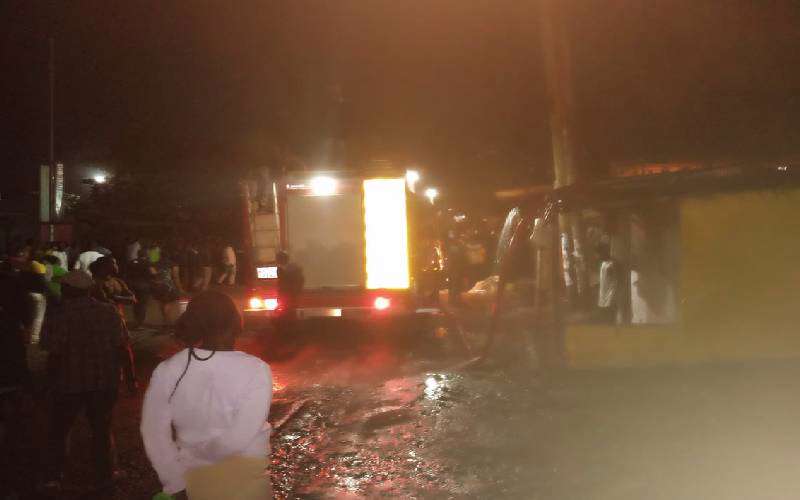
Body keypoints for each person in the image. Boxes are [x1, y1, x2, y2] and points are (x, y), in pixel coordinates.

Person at [141, 291, 273, 500]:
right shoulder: (256, 369)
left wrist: (174, 481)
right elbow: (239, 436)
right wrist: (203, 452)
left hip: (193, 477)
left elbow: (153, 431)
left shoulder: (167, 369)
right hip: (246, 477)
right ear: (236, 323)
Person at [40, 270, 127, 494]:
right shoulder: (109, 311)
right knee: (101, 429)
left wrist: (47, 383)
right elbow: (121, 347)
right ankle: (105, 476)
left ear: (67, 290)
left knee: (60, 429)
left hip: (69, 382)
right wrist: (129, 378)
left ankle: (53, 476)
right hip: (104, 381)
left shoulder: (59, 314)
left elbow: (53, 351)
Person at [90, 256, 139, 394]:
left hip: (117, 321)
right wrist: (119, 299)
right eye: (113, 263)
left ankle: (130, 382)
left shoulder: (117, 281)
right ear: (104, 267)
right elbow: (106, 301)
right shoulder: (95, 283)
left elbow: (133, 299)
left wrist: (114, 298)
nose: (116, 265)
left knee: (124, 351)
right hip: (100, 323)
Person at [596, 243, 618, 324]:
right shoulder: (603, 263)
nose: (598, 256)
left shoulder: (610, 265)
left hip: (610, 295)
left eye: (599, 254)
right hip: (603, 294)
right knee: (604, 317)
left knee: (609, 318)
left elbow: (615, 281)